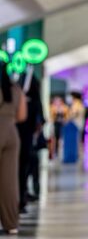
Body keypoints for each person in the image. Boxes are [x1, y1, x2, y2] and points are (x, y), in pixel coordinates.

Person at [0, 60, 28, 235]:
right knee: (9, 182)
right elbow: (22, 116)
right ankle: (11, 224)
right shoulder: (16, 89)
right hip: (11, 133)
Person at [15, 72, 43, 213]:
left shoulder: (18, 92)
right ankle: (21, 197)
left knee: (20, 168)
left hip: (19, 135)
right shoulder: (32, 100)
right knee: (23, 167)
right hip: (23, 137)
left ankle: (21, 197)